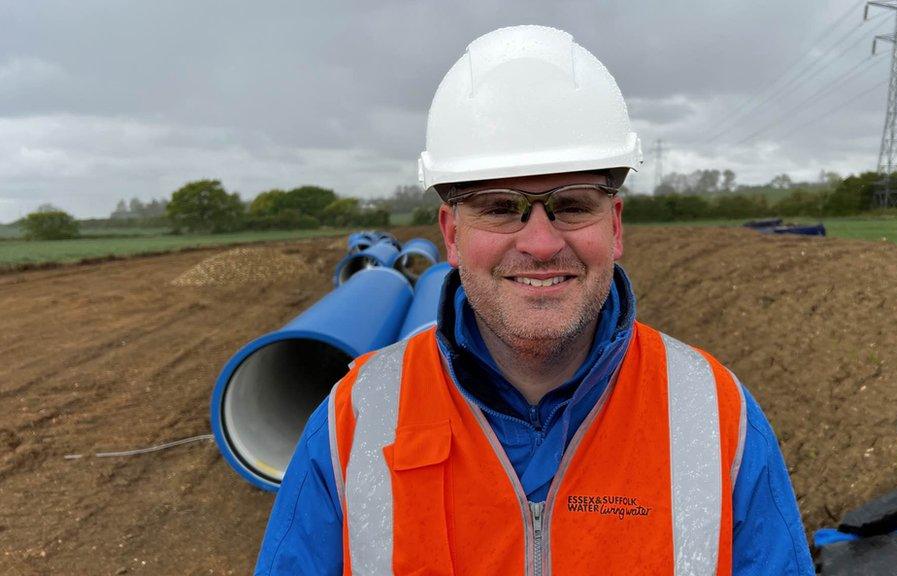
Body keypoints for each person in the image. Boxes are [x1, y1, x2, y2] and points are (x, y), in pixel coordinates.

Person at [255, 25, 813, 575]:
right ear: (451, 234)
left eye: (571, 205)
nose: (541, 244)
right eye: (499, 207)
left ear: (614, 227)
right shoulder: (355, 421)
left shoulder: (718, 418)